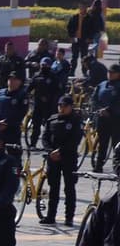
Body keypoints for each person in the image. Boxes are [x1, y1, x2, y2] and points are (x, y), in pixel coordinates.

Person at [41, 95, 83, 226]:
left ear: (71, 107)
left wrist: (60, 151)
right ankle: (50, 216)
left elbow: (75, 140)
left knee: (69, 188)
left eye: (65, 106)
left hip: (68, 157)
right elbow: (45, 137)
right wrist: (50, 151)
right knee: (53, 187)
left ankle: (69, 217)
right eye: (60, 105)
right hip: (53, 158)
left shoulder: (75, 120)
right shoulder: (52, 119)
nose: (62, 108)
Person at [29, 57, 62, 150]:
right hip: (38, 105)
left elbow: (59, 91)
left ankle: (48, 145)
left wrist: (51, 98)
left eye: (46, 65)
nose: (44, 66)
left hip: (49, 106)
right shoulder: (36, 76)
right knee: (36, 125)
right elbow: (30, 88)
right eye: (43, 65)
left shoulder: (54, 77)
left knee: (48, 126)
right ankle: (33, 144)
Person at [93, 64, 120, 173]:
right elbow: (94, 99)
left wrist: (108, 110)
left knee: (116, 145)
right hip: (102, 118)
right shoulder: (102, 85)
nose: (110, 74)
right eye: (109, 72)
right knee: (102, 144)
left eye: (113, 72)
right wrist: (99, 109)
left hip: (116, 119)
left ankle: (117, 168)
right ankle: (98, 166)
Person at [0, 71, 28, 148]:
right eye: (10, 79)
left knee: (13, 151)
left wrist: (7, 122)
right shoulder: (1, 92)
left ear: (20, 82)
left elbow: (21, 112)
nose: (11, 81)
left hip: (12, 128)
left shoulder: (22, 95)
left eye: (15, 79)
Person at [68, 1, 100, 76]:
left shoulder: (90, 18)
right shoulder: (74, 17)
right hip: (76, 39)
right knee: (74, 56)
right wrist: (71, 36)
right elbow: (69, 27)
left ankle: (84, 71)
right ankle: (72, 71)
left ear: (86, 8)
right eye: (81, 7)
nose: (82, 8)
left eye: (84, 7)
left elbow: (93, 29)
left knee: (84, 56)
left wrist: (90, 38)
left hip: (85, 40)